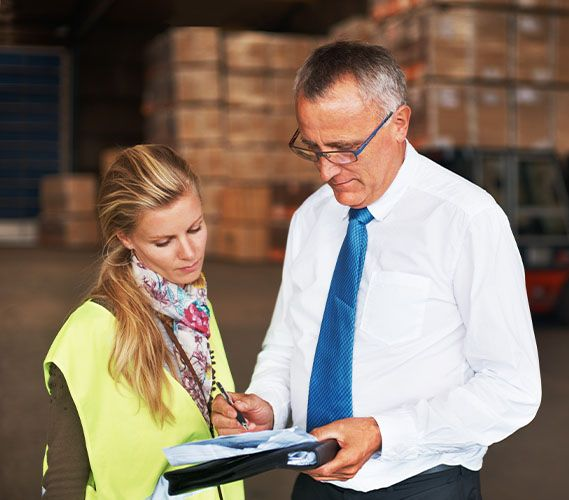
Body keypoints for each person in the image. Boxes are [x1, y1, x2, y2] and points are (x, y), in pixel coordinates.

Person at [212, 41, 541, 499]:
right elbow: (289, 339)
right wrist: (268, 402)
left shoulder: (465, 219)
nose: (328, 171)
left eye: (346, 149)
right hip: (315, 483)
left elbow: (512, 388)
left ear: (399, 123)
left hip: (420, 485)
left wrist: (384, 432)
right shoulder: (311, 217)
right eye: (313, 149)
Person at [42, 145, 244, 499]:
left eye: (195, 228)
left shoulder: (196, 307)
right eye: (164, 241)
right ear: (125, 237)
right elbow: (63, 480)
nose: (189, 252)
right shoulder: (89, 333)